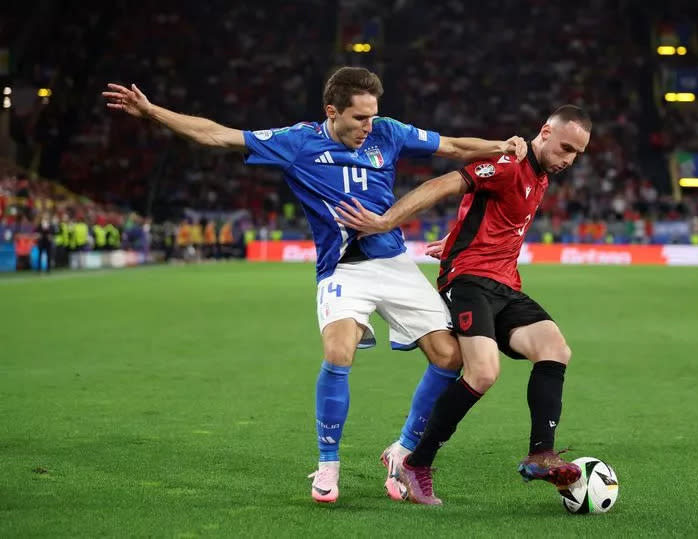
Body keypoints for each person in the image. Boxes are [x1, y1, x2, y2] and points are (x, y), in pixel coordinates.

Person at [103, 66, 526, 503]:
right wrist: (152, 111)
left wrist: (502, 145)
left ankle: (402, 452)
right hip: (343, 268)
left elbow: (454, 146)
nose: (369, 126)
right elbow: (216, 135)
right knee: (338, 350)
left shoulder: (388, 132)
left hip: (395, 262)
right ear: (332, 111)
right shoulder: (298, 142)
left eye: (373, 115)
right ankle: (328, 466)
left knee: (449, 355)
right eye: (360, 118)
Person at [334, 105, 591, 505]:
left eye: (576, 154)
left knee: (555, 349)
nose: (569, 160)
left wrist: (453, 241)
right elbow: (443, 184)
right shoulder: (508, 164)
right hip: (468, 282)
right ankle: (418, 462)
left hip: (505, 285)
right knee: (483, 372)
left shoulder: (540, 175)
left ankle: (541, 454)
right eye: (565, 148)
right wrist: (386, 221)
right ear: (544, 132)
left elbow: (491, 218)